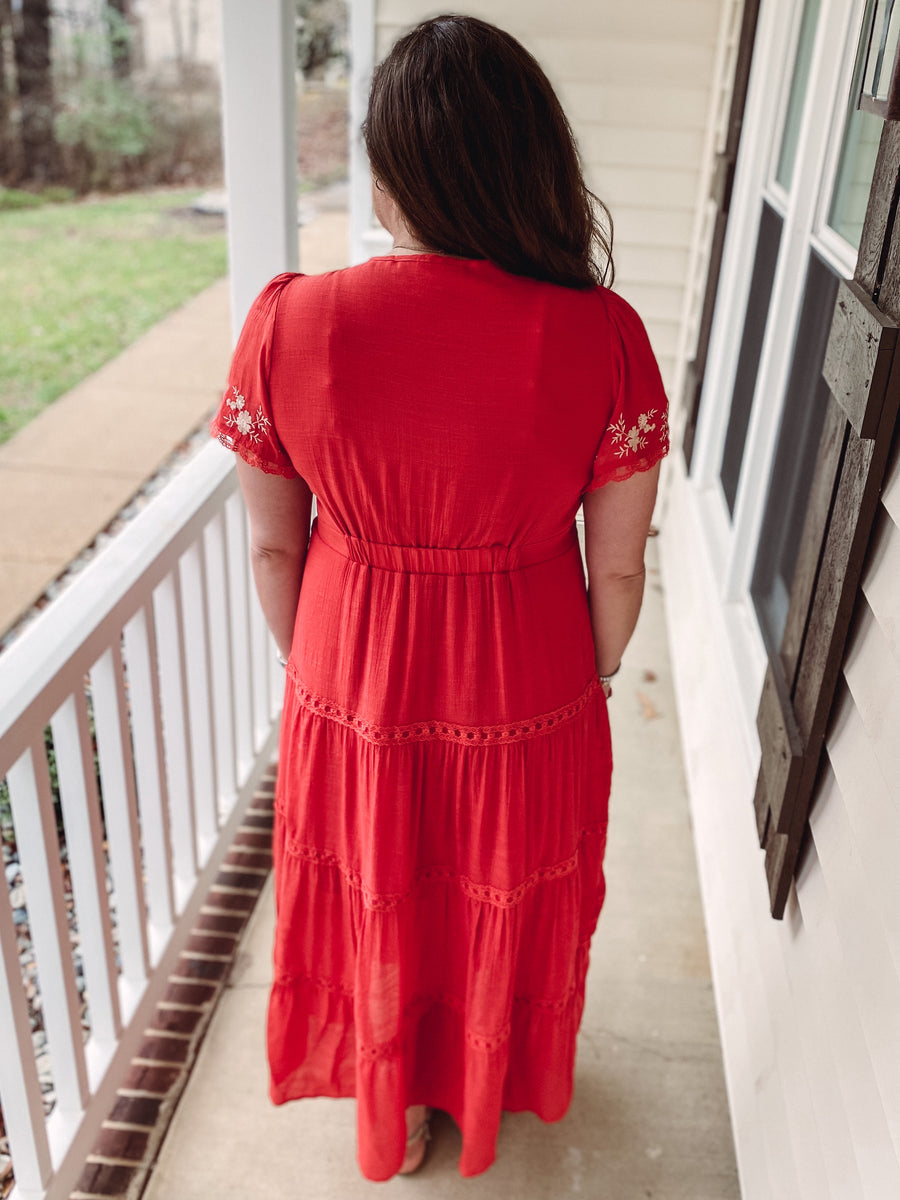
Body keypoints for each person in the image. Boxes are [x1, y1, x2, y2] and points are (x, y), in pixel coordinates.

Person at [211, 13, 668, 1181]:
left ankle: (395, 1108)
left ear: (389, 164)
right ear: (531, 160)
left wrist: (317, 667)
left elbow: (274, 552)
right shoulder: (603, 337)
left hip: (347, 670)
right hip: (531, 677)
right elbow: (617, 566)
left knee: (379, 891)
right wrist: (599, 672)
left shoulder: (289, 323)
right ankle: (484, 1085)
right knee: (501, 887)